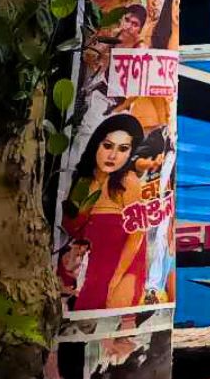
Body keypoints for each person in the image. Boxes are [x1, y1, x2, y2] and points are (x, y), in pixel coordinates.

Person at [59, 113, 154, 312]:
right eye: (108, 146)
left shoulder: (127, 181)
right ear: (96, 144)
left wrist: (117, 277)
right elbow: (71, 228)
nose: (112, 156)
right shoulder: (84, 182)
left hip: (122, 270)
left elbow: (137, 236)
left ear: (130, 153)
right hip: (88, 271)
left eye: (123, 149)